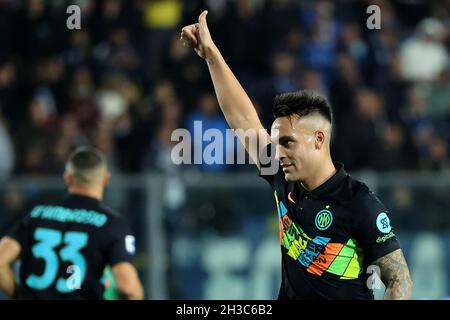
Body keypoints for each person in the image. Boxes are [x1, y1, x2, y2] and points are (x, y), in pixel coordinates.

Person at [180, 11, 413, 300]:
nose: (277, 152)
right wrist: (210, 54)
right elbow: (243, 120)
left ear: (318, 139)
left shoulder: (359, 202)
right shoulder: (281, 173)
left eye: (287, 142)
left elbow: (399, 281)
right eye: (276, 142)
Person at [0, 146, 144, 300]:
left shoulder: (37, 215)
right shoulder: (112, 223)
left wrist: (19, 295)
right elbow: (128, 288)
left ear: (67, 178)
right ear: (106, 179)